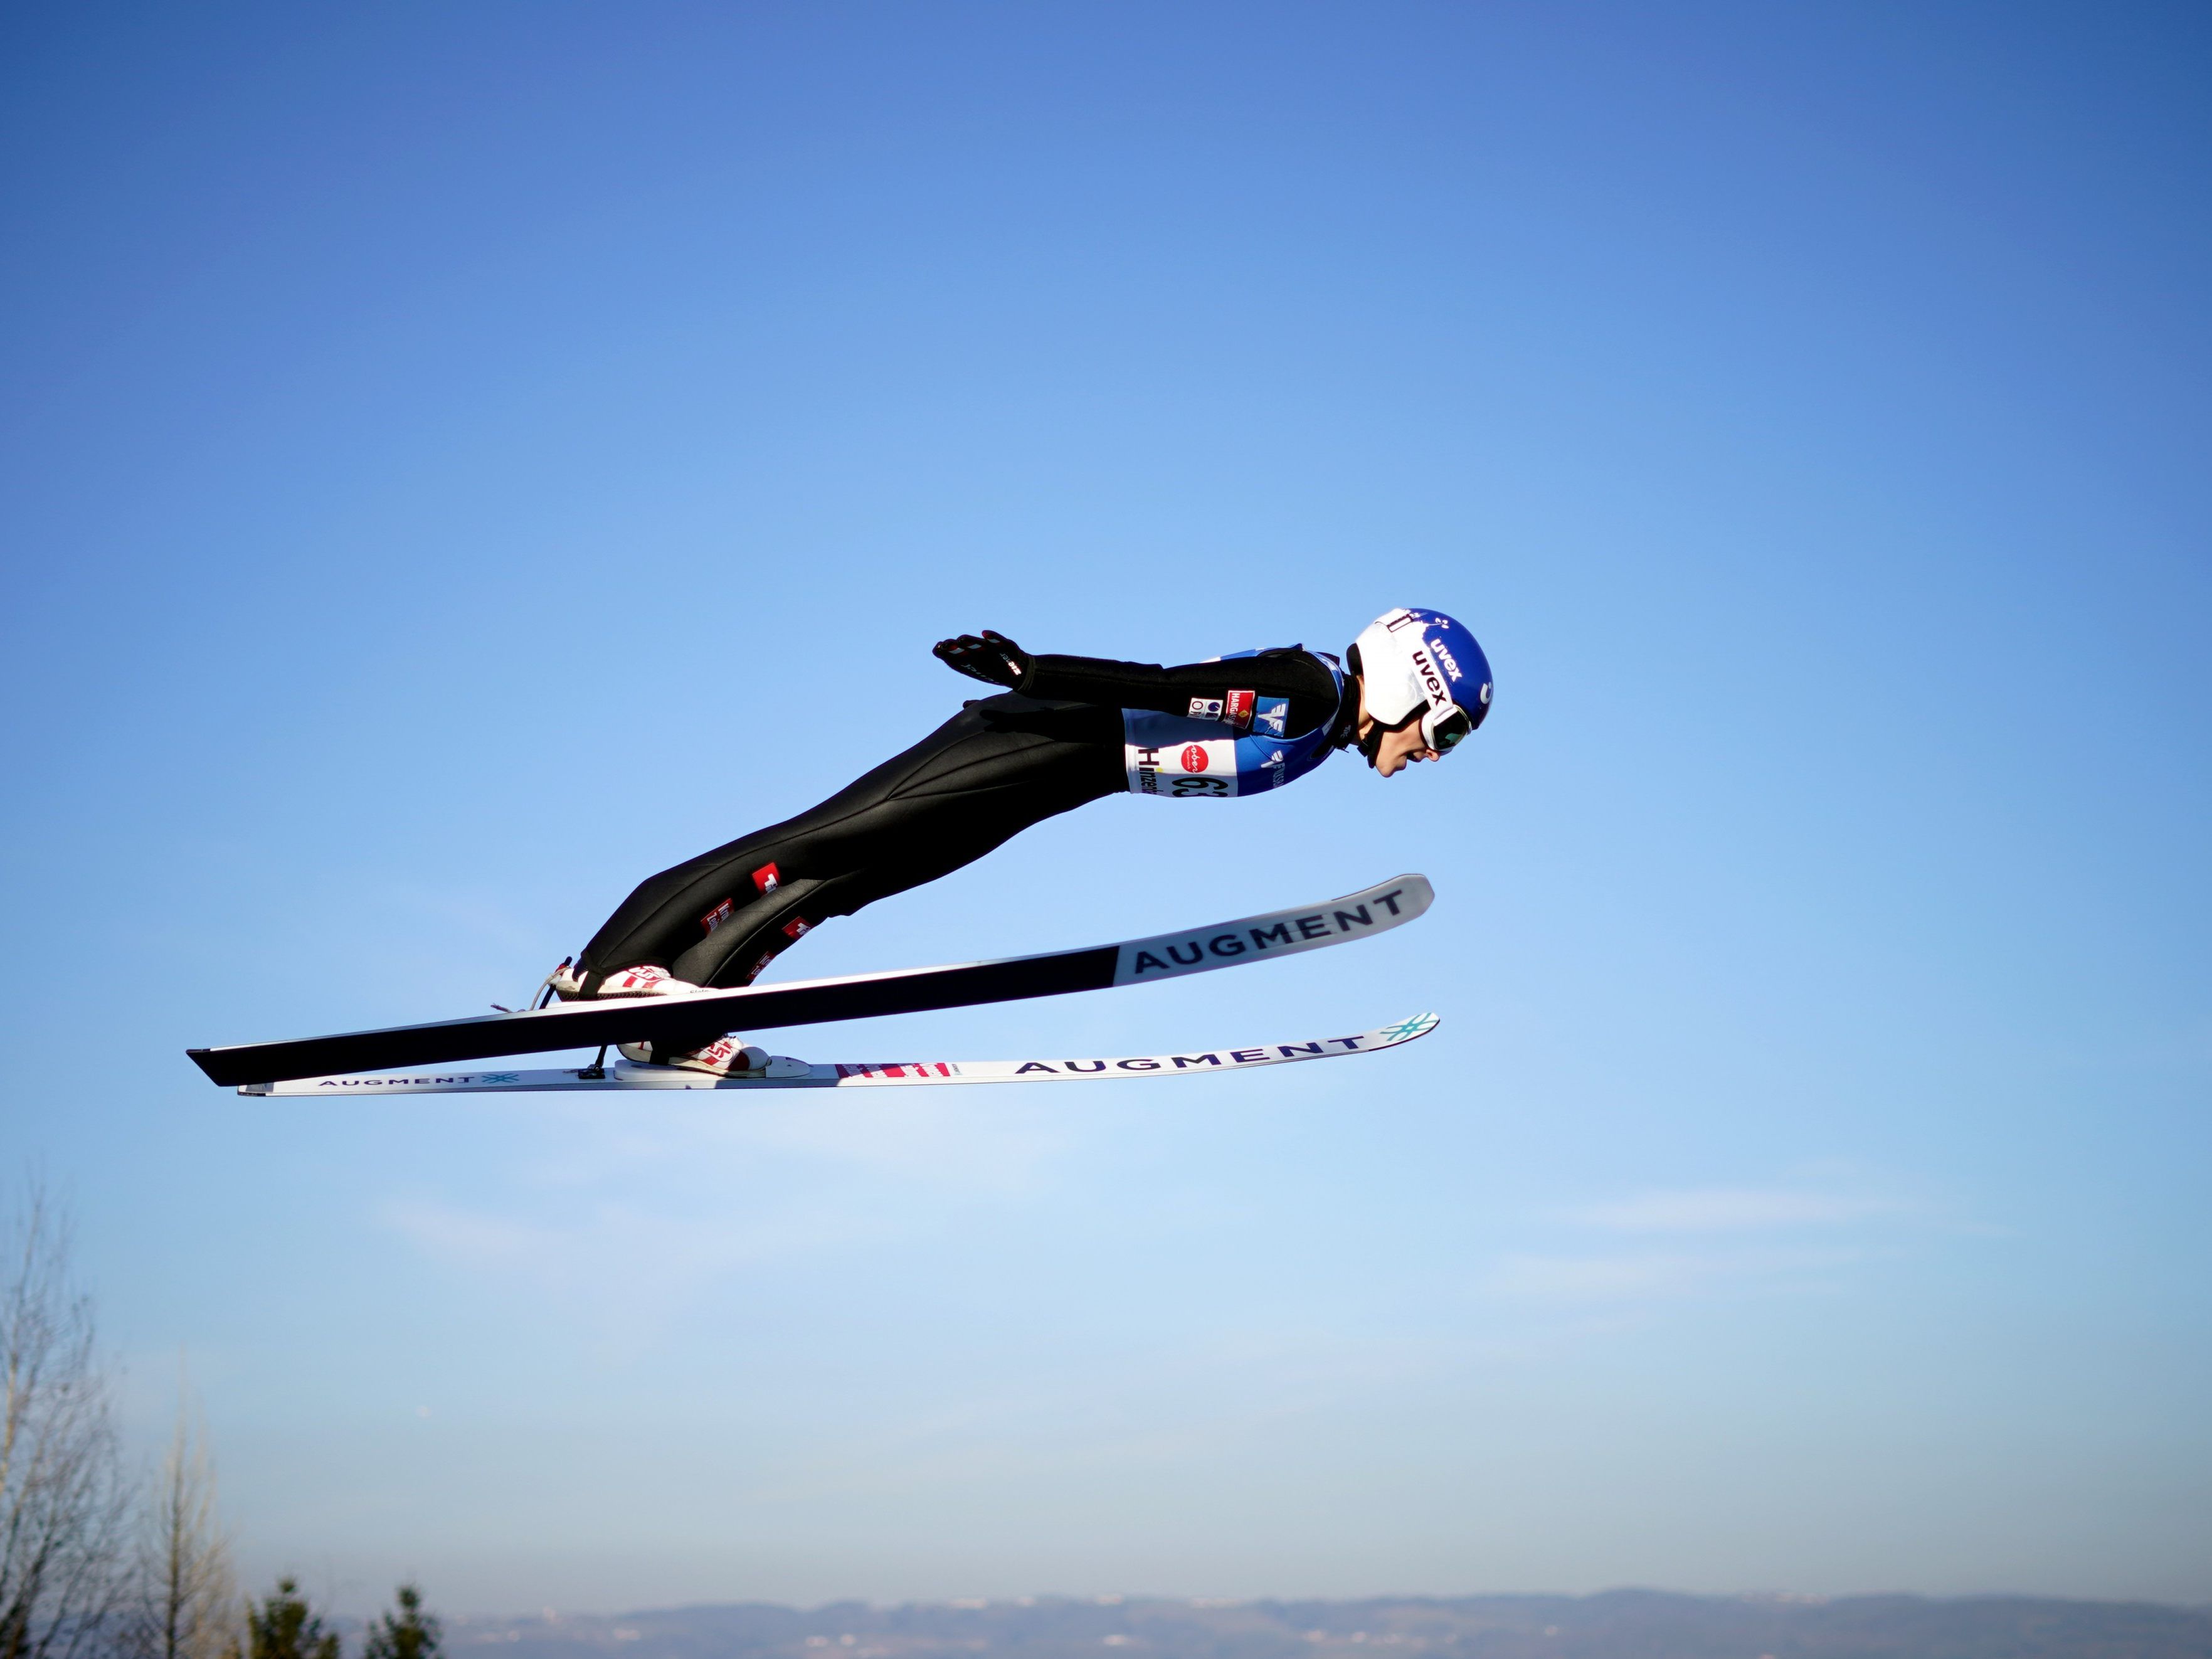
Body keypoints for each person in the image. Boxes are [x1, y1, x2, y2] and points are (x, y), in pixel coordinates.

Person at [541, 607, 1493, 1073]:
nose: (1433, 753)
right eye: (1442, 728)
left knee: (856, 877)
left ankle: (682, 1009)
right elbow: (1157, 687)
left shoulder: (1321, 727)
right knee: (831, 837)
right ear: (1412, 684)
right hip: (1039, 736)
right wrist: (1033, 667)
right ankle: (609, 968)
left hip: (1064, 777)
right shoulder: (1315, 692)